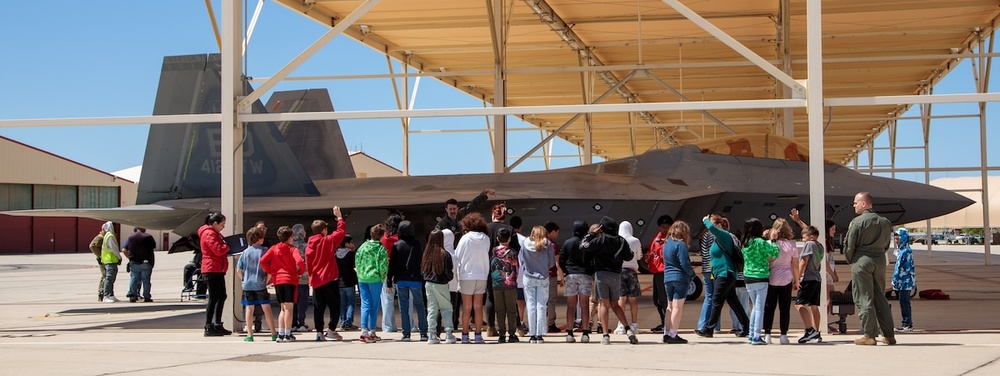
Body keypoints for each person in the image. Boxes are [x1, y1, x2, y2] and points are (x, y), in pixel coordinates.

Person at [844, 192, 896, 346]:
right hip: (879, 260)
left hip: (862, 260)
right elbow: (886, 244)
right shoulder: (885, 222)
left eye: (855, 203)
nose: (854, 205)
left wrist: (851, 259)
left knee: (864, 297)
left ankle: (870, 335)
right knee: (880, 297)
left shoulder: (857, 222)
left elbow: (849, 245)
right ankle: (889, 335)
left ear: (864, 204)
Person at [581, 216, 638, 345]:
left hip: (601, 274)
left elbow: (584, 245)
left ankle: (605, 335)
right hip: (616, 275)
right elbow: (629, 256)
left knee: (603, 304)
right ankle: (628, 329)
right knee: (615, 304)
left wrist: (591, 234)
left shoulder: (600, 239)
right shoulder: (621, 240)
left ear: (602, 228)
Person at [695, 214, 750, 339]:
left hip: (725, 273)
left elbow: (712, 228)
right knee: (733, 301)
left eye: (712, 224)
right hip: (722, 273)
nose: (710, 228)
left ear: (719, 225)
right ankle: (746, 326)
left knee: (716, 300)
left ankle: (708, 329)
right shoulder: (717, 239)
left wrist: (705, 220)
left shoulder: (724, 235)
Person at [306, 206, 348, 341]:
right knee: (335, 306)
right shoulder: (327, 241)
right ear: (324, 230)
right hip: (329, 278)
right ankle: (331, 329)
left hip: (317, 280)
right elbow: (341, 232)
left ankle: (319, 331)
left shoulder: (309, 245)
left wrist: (311, 278)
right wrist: (339, 217)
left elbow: (309, 264)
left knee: (318, 307)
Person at [260, 226, 306, 343]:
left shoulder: (274, 248)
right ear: (290, 237)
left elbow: (263, 261)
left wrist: (272, 271)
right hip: (290, 279)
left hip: (278, 280)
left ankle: (280, 333)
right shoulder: (292, 249)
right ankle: (287, 333)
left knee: (282, 308)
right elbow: (300, 261)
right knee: (289, 308)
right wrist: (300, 272)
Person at [741, 218, 779, 345]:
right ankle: (756, 335)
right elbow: (774, 253)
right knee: (759, 308)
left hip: (748, 277)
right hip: (761, 276)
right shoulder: (761, 242)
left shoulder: (746, 243)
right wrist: (773, 240)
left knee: (755, 308)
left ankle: (752, 334)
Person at [388, 220, 428, 342]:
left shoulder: (397, 245)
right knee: (420, 306)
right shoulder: (417, 244)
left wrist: (389, 279)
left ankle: (406, 334)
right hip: (415, 278)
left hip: (401, 280)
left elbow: (392, 264)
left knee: (404, 307)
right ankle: (423, 333)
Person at [455, 212, 491, 344]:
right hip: (482, 275)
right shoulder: (485, 238)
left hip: (467, 275)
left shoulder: (465, 238)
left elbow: (457, 255)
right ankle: (478, 334)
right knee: (478, 306)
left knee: (466, 307)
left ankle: (465, 335)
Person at [236, 227, 277, 342]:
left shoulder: (245, 252)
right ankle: (273, 333)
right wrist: (267, 281)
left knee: (249, 309)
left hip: (247, 284)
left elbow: (238, 269)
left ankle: (249, 334)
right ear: (260, 239)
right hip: (260, 283)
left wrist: (243, 279)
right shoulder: (264, 251)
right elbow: (270, 270)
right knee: (266, 308)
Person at [762, 218, 799, 344]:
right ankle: (783, 335)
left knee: (769, 307)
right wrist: (797, 280)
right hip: (786, 278)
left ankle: (767, 334)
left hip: (771, 277)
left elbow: (765, 261)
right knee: (784, 308)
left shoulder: (768, 244)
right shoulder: (792, 245)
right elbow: (795, 265)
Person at [485, 203, 519, 337]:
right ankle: (514, 327)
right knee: (510, 301)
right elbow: (517, 248)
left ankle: (490, 326)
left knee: (490, 297)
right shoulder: (510, 229)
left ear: (493, 214)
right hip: (507, 270)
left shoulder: (486, 228)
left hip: (491, 267)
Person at [661, 220, 695, 344]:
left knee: (669, 306)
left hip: (667, 277)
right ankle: (673, 334)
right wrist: (692, 274)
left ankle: (666, 332)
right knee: (677, 307)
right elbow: (684, 263)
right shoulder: (681, 245)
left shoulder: (667, 244)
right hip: (680, 278)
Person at [521, 225, 555, 343]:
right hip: (543, 277)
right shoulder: (548, 244)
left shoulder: (525, 243)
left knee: (530, 305)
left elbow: (521, 260)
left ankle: (532, 334)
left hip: (528, 277)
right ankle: (540, 334)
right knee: (541, 305)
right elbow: (551, 263)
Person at [560, 220, 592, 343]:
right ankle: (585, 332)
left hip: (571, 274)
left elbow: (562, 259)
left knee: (571, 305)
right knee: (584, 305)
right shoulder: (587, 243)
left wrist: (566, 270)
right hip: (585, 274)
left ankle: (569, 332)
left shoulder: (568, 243)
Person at [356, 224, 389, 343]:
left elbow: (357, 260)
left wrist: (360, 273)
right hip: (375, 278)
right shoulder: (380, 248)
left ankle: (364, 330)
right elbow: (383, 265)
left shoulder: (363, 246)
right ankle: (372, 331)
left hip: (362, 278)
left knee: (365, 304)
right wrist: (382, 277)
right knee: (374, 305)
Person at [422, 229, 456, 344]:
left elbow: (423, 270)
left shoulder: (426, 253)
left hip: (428, 284)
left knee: (432, 308)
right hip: (441, 284)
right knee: (446, 308)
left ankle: (431, 334)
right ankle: (449, 334)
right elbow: (449, 272)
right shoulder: (444, 254)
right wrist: (448, 278)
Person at [199, 213, 231, 336]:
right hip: (211, 269)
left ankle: (217, 324)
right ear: (215, 223)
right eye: (222, 225)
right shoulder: (209, 233)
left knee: (221, 296)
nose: (223, 227)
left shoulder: (215, 233)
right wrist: (227, 246)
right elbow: (218, 250)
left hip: (217, 269)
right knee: (213, 298)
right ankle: (208, 325)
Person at [795, 225, 825, 344]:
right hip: (817, 278)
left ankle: (810, 330)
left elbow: (804, 261)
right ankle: (817, 332)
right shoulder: (820, 246)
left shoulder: (810, 244)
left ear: (811, 237)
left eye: (804, 237)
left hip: (808, 278)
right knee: (814, 306)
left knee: (799, 304)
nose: (803, 240)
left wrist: (797, 277)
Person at [490, 227, 520, 343]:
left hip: (496, 284)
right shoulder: (512, 253)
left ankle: (501, 334)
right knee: (511, 310)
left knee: (500, 310)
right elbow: (516, 268)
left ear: (497, 238)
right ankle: (512, 334)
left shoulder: (492, 251)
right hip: (510, 284)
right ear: (509, 239)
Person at [614, 221, 641, 336]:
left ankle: (621, 324)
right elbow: (639, 256)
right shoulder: (635, 240)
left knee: (621, 298)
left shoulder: (616, 240)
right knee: (633, 299)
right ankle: (634, 324)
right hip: (632, 271)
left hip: (619, 271)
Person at [647, 215, 673, 332]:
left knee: (664, 299)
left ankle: (667, 324)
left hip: (664, 272)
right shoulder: (656, 239)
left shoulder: (671, 240)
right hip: (656, 271)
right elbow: (651, 253)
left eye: (667, 227)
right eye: (663, 227)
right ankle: (663, 321)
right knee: (657, 300)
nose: (665, 229)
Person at [380, 214, 402, 333]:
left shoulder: (384, 238)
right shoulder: (399, 239)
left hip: (385, 270)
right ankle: (409, 324)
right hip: (399, 270)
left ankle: (388, 326)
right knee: (404, 299)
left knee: (387, 299)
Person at [892, 228, 915, 333]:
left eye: (898, 239)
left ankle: (907, 324)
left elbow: (901, 267)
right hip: (902, 282)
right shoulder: (902, 250)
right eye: (895, 239)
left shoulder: (906, 251)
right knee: (903, 302)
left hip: (904, 281)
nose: (897, 241)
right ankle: (906, 323)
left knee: (905, 302)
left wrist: (895, 278)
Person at [124, 227, 156, 303]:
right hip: (146, 262)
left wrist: (130, 258)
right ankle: (146, 296)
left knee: (134, 278)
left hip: (134, 262)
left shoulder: (130, 237)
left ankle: (132, 295)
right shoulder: (148, 237)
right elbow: (153, 246)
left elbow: (124, 249)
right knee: (146, 280)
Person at [290, 224, 311, 333]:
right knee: (303, 301)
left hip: (292, 279)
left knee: (293, 301)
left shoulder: (290, 246)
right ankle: (301, 322)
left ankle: (293, 323)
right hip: (303, 278)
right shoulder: (306, 246)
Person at [543, 221, 563, 334]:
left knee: (543, 301)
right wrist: (562, 277)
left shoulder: (539, 243)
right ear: (552, 232)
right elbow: (556, 263)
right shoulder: (553, 245)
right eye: (557, 232)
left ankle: (542, 322)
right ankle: (550, 324)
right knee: (551, 300)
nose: (557, 235)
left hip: (541, 276)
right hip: (551, 276)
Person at [336, 235, 358, 331]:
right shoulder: (351, 254)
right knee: (351, 303)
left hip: (339, 282)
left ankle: (342, 322)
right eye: (351, 242)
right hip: (349, 281)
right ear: (346, 244)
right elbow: (354, 265)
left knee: (342, 304)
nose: (353, 244)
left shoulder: (335, 254)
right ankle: (348, 322)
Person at [441, 229, 462, 332]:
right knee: (451, 308)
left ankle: (439, 327)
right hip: (453, 286)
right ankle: (451, 327)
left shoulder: (440, 253)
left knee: (440, 308)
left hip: (442, 285)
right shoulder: (454, 253)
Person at [100, 221, 122, 303]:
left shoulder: (108, 235)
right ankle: (106, 296)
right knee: (109, 279)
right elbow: (114, 248)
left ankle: (111, 295)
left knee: (111, 278)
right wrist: (119, 257)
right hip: (110, 260)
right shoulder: (110, 236)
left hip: (109, 260)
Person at [88, 230, 106, 302]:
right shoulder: (100, 237)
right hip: (103, 260)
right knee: (105, 276)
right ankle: (101, 292)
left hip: (105, 259)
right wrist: (100, 256)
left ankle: (103, 292)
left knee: (105, 276)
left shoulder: (104, 237)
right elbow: (92, 246)